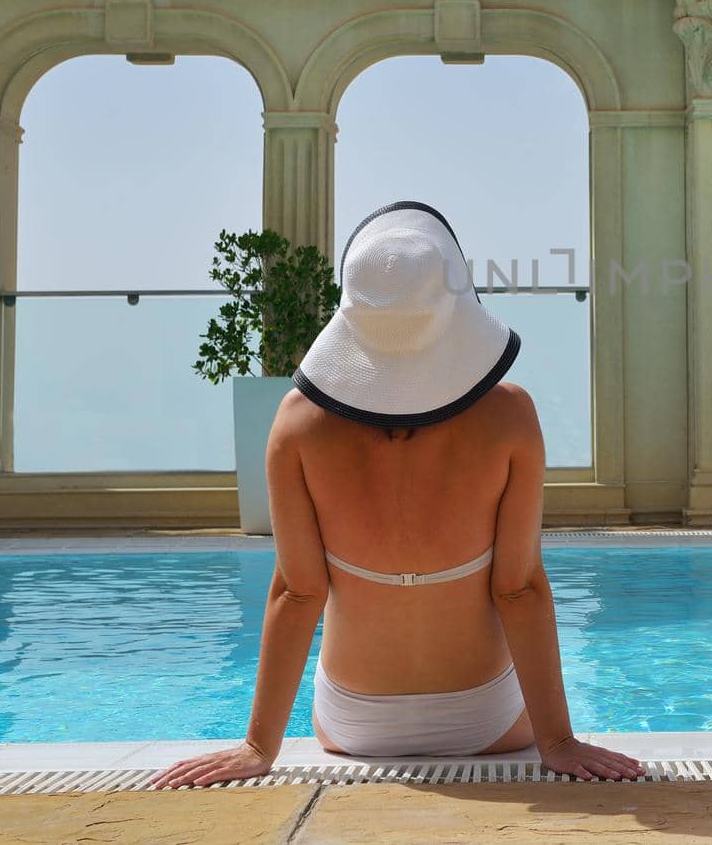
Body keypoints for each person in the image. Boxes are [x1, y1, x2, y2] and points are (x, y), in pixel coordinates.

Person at [153, 202, 644, 787]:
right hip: (486, 719)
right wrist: (558, 742)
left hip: (356, 725)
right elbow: (518, 589)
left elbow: (296, 591)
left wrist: (259, 746)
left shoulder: (296, 423)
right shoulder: (510, 416)